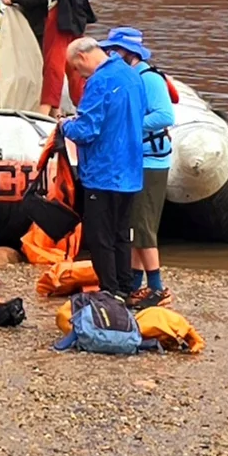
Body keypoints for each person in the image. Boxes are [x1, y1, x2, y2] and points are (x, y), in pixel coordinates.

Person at [59, 37, 144, 297]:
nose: (78, 73)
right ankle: (126, 287)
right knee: (121, 233)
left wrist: (64, 125)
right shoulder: (133, 76)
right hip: (131, 169)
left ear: (83, 57)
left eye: (75, 67)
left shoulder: (99, 81)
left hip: (104, 171)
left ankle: (110, 290)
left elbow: (86, 130)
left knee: (100, 236)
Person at [99, 28, 174, 309]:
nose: (109, 55)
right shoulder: (130, 77)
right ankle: (133, 283)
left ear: (129, 53)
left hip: (151, 163)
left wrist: (129, 124)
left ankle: (157, 289)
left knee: (143, 227)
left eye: (114, 50)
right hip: (135, 160)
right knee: (132, 226)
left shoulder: (150, 79)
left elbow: (166, 115)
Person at [38, 0, 109, 115]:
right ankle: (80, 105)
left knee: (54, 62)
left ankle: (45, 110)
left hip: (59, 15)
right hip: (77, 17)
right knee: (77, 62)